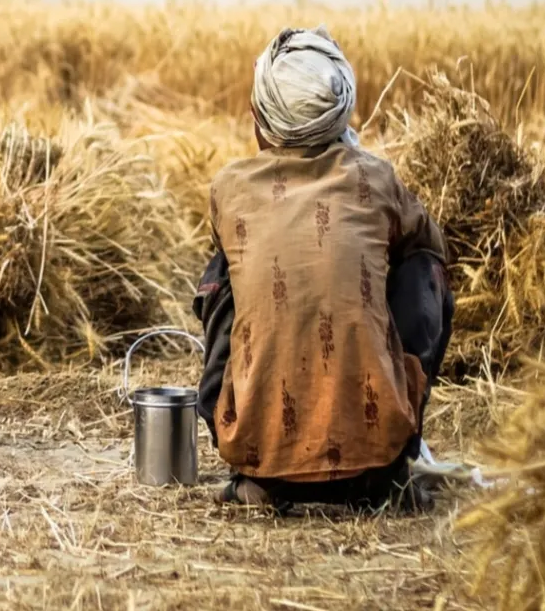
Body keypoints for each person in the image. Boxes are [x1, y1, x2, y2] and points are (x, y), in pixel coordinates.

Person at [193, 25, 454, 513]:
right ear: (342, 112)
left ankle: (257, 456)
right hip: (374, 469)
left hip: (255, 455)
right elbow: (429, 252)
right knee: (422, 264)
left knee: (226, 269)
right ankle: (391, 443)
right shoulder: (377, 179)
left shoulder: (228, 188)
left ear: (259, 118)